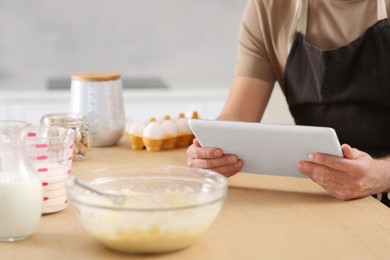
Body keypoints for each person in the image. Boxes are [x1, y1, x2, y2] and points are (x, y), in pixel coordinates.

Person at [187, 0, 390, 206]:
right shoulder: (268, 8)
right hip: (316, 196)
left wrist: (380, 176)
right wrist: (210, 151)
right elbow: (238, 115)